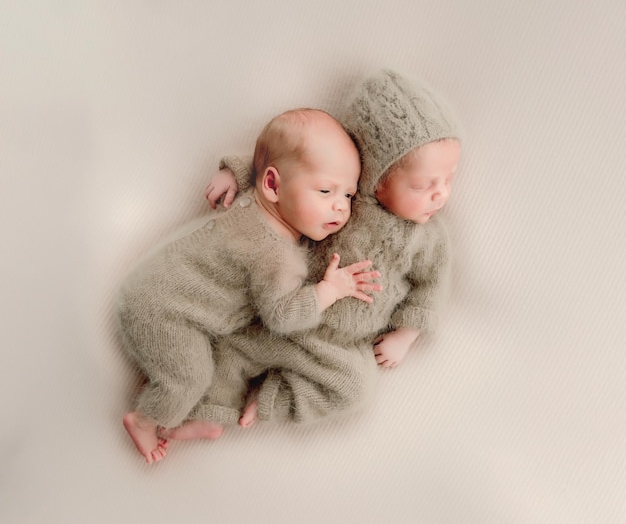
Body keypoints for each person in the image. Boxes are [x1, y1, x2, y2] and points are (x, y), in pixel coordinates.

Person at [164, 69, 462, 437]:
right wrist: (238, 173)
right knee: (233, 347)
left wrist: (407, 334)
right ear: (377, 177)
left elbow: (431, 286)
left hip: (337, 345)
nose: (441, 195)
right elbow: (293, 168)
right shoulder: (345, 196)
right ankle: (210, 410)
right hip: (291, 305)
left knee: (356, 388)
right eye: (425, 184)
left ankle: (272, 397)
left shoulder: (428, 238)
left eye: (449, 180)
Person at [118, 108, 382, 464]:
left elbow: (268, 166)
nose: (340, 206)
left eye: (348, 195)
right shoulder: (275, 257)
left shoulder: (258, 204)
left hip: (160, 289)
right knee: (188, 380)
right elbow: (282, 316)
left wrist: (233, 170)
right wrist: (329, 291)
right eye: (325, 190)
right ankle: (146, 420)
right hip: (162, 313)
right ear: (273, 186)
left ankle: (195, 414)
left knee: (200, 366)